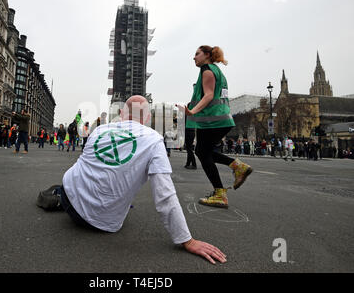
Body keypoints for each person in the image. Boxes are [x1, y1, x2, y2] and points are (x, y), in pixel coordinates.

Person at [37, 96, 227, 265]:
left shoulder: (100, 130)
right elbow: (165, 196)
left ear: (121, 113)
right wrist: (187, 240)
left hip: (71, 196)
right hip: (102, 221)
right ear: (147, 117)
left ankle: (59, 194)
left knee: (74, 178)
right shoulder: (153, 140)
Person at [177, 45, 252, 209]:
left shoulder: (207, 70)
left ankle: (220, 193)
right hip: (220, 119)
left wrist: (192, 111)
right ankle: (237, 167)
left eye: (197, 54)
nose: (194, 57)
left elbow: (209, 95)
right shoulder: (216, 70)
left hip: (212, 120)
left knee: (202, 153)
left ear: (207, 55)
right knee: (204, 152)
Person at [184, 102, 197, 169]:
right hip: (192, 131)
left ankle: (194, 164)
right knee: (189, 148)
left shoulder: (187, 114)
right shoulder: (194, 114)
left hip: (187, 131)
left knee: (189, 148)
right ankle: (188, 163)